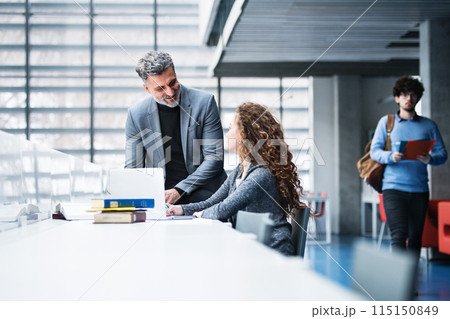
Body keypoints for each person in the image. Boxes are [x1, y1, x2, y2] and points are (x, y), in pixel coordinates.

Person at [167, 102, 304, 255]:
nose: (227, 133)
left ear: (244, 133)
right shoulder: (241, 170)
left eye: (231, 127)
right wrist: (179, 209)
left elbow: (223, 209)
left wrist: (200, 214)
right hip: (253, 247)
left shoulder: (262, 174)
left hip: (272, 250)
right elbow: (212, 203)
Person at [125, 51, 227, 205]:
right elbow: (133, 168)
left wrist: (179, 190)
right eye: (160, 88)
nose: (170, 92)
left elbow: (214, 159)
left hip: (206, 195)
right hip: (163, 199)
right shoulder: (136, 114)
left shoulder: (204, 103)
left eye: (172, 82)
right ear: (147, 89)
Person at [370, 76, 447, 258]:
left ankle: (411, 282)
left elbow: (442, 154)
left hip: (419, 190)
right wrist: (391, 156)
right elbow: (375, 151)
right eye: (404, 94)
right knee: (399, 235)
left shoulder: (429, 125)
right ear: (397, 98)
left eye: (413, 95)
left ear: (418, 98)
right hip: (393, 188)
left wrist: (430, 158)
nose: (408, 99)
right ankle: (399, 284)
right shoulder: (387, 123)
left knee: (415, 238)